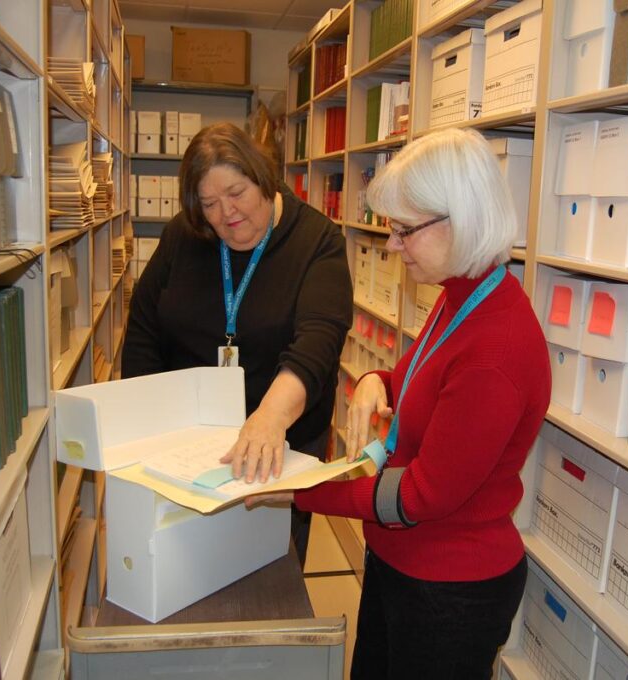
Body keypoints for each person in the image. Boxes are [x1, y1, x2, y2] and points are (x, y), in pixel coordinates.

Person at [249, 127, 551, 679]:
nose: (391, 246)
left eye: (405, 231)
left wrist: (300, 491)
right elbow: (425, 382)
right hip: (405, 566)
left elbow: (420, 495)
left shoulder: (497, 344)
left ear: (460, 219)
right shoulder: (462, 295)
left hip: (449, 589)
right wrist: (376, 380)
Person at [122, 122, 352, 566]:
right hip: (185, 450)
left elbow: (317, 345)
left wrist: (269, 418)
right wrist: (140, 419)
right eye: (209, 204)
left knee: (268, 581)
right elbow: (144, 327)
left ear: (263, 177)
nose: (226, 213)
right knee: (184, 571)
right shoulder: (183, 237)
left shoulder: (317, 242)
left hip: (277, 452)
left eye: (237, 192)